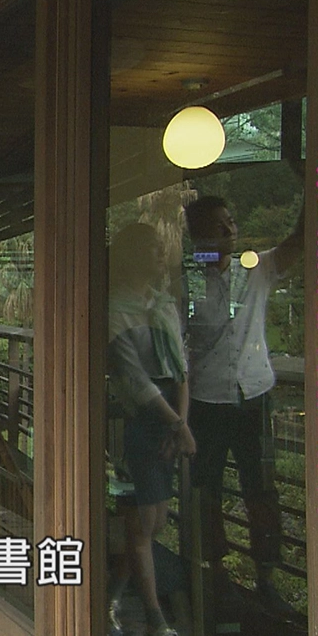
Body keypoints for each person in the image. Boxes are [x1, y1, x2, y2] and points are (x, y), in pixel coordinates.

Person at [184, 194, 304, 612]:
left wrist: (306, 182)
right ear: (199, 235)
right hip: (206, 401)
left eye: (231, 221)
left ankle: (266, 577)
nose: (230, 229)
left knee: (261, 489)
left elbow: (297, 242)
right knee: (207, 490)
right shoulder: (187, 281)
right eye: (218, 225)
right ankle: (215, 576)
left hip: (254, 395)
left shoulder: (254, 268)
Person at [106, 223, 194, 636]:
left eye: (163, 248)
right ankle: (156, 617)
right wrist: (177, 423)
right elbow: (134, 378)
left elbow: (181, 368)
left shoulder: (163, 304)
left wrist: (181, 423)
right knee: (145, 522)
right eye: (152, 248)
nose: (162, 254)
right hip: (141, 419)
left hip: (171, 418)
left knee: (154, 522)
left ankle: (113, 595)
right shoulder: (116, 309)